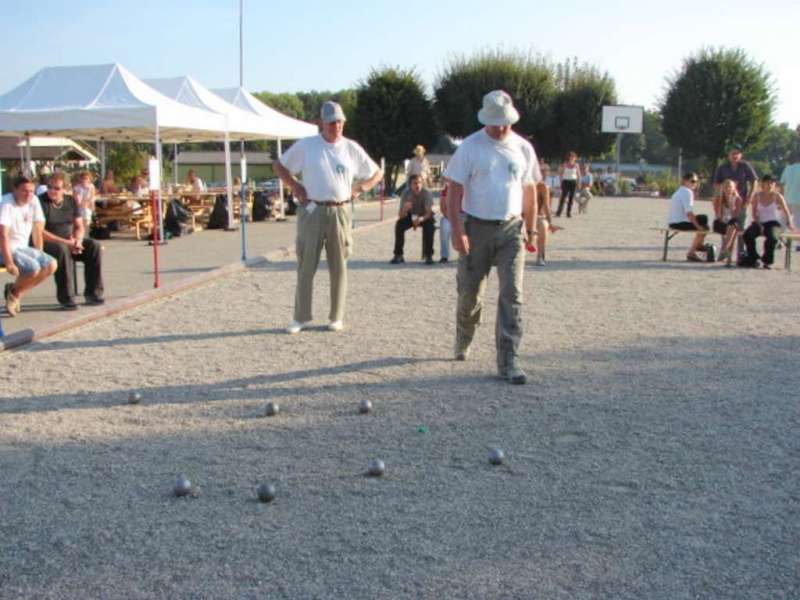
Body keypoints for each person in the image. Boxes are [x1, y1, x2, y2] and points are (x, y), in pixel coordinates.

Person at [444, 90, 540, 384]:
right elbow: (453, 191)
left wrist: (531, 228)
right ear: (484, 119)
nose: (499, 129)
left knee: (513, 294)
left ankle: (509, 360)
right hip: (476, 228)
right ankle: (464, 335)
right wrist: (458, 232)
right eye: (494, 123)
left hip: (512, 229)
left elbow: (530, 191)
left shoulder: (523, 148)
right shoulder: (470, 148)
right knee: (469, 294)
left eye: (504, 123)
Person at [274, 100, 382, 334]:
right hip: (312, 209)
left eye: (340, 121)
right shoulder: (307, 146)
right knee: (305, 265)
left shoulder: (351, 148)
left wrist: (360, 189)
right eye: (332, 122)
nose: (337, 126)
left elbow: (376, 172)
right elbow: (280, 166)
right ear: (321, 123)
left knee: (339, 265)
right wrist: (294, 186)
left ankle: (337, 316)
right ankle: (300, 317)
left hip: (340, 211)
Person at [39, 173, 105, 309]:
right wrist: (67, 242)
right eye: (49, 187)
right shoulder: (40, 202)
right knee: (62, 250)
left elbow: (79, 225)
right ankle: (67, 297)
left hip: (70, 240)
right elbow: (40, 232)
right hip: (47, 242)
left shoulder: (70, 201)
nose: (52, 191)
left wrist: (78, 240)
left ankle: (93, 293)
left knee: (94, 246)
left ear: (65, 189)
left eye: (57, 188)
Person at [0, 176, 58, 316]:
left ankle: (15, 292)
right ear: (15, 190)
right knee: (33, 268)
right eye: (24, 191)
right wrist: (9, 262)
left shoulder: (34, 201)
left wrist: (39, 253)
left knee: (51, 264)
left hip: (22, 246)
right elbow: (3, 235)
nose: (29, 194)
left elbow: (37, 229)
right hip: (6, 248)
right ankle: (14, 295)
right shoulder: (7, 204)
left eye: (31, 191)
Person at [742, 175, 796, 269]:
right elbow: (754, 213)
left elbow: (786, 210)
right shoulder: (757, 196)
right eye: (768, 183)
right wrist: (759, 225)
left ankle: (767, 260)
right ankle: (754, 257)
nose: (770, 185)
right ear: (763, 184)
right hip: (759, 222)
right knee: (747, 234)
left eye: (772, 183)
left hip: (773, 223)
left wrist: (789, 223)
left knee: (772, 238)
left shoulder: (777, 196)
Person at [390, 174, 435, 265]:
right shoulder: (406, 194)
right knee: (399, 225)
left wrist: (421, 219)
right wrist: (404, 209)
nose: (417, 185)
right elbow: (400, 215)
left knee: (430, 226)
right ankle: (398, 255)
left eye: (419, 183)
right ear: (410, 185)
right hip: (410, 216)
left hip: (424, 216)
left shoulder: (426, 193)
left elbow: (429, 213)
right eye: (415, 183)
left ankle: (428, 255)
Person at [667, 172, 710, 262]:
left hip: (673, 222)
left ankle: (699, 245)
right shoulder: (687, 192)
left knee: (703, 218)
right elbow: (689, 213)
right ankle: (692, 252)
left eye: (696, 181)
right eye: (693, 181)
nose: (695, 184)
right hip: (679, 223)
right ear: (685, 181)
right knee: (705, 226)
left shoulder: (679, 191)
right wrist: (699, 228)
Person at [533, 160, 559, 267]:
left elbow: (547, 207)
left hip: (537, 216)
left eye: (545, 171)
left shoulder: (543, 187)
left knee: (543, 226)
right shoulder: (522, 183)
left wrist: (550, 222)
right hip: (519, 216)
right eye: (541, 171)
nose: (543, 174)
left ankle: (540, 256)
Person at [712, 179, 743, 262]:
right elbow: (718, 215)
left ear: (734, 188)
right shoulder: (719, 198)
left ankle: (724, 251)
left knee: (733, 225)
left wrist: (730, 204)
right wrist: (721, 200)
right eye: (726, 187)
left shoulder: (738, 199)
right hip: (721, 222)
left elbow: (735, 215)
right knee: (731, 229)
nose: (728, 189)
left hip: (732, 222)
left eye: (730, 187)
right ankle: (725, 253)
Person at [779, 152, 800, 243]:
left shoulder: (788, 168)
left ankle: (778, 241)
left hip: (786, 198)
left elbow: (782, 184)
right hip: (798, 198)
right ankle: (799, 242)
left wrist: (781, 197)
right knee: (798, 220)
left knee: (783, 219)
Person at [556, 151, 580, 217]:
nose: (572, 158)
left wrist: (578, 183)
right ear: (569, 157)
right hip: (565, 181)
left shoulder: (576, 165)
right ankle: (559, 212)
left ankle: (568, 213)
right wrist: (561, 182)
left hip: (573, 182)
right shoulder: (565, 164)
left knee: (571, 198)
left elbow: (578, 175)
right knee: (563, 197)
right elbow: (561, 174)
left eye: (574, 157)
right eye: (571, 157)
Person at [438, 183, 452, 263]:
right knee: (444, 225)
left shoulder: (468, 185)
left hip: (465, 215)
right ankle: (444, 255)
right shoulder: (446, 188)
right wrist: (452, 218)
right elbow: (443, 208)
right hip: (449, 216)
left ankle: (468, 255)